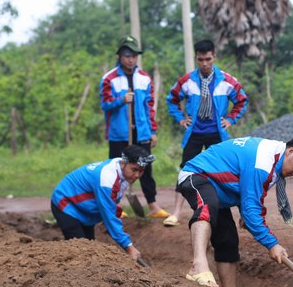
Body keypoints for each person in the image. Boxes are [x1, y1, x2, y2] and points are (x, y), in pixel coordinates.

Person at [179, 134, 293, 287]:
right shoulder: (264, 162)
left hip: (219, 189)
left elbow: (249, 191)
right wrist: (272, 244)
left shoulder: (274, 159)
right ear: (291, 151)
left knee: (228, 241)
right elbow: (252, 209)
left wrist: (246, 214)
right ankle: (198, 264)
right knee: (207, 206)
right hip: (197, 175)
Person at [163, 39, 248, 227]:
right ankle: (176, 212)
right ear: (196, 58)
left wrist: (231, 119)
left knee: (224, 171)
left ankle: (241, 214)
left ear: (214, 57)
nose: (204, 64)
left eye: (208, 59)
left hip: (217, 133)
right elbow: (172, 99)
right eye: (201, 59)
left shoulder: (227, 80)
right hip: (194, 132)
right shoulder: (187, 81)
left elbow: (242, 100)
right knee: (185, 169)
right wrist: (180, 118)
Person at [100, 35, 169, 218]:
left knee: (145, 168)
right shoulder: (110, 79)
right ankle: (114, 206)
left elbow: (149, 107)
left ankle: (153, 206)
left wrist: (152, 130)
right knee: (116, 169)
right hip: (119, 133)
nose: (131, 59)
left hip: (141, 132)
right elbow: (105, 104)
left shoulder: (144, 79)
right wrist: (120, 101)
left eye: (134, 56)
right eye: (127, 55)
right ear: (120, 56)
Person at [50, 145, 155, 263]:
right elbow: (109, 214)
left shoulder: (119, 168)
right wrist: (129, 246)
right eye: (134, 169)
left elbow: (112, 203)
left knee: (90, 248)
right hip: (66, 204)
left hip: (84, 208)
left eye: (141, 171)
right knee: (80, 252)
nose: (137, 175)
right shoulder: (107, 179)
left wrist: (108, 218)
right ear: (124, 162)